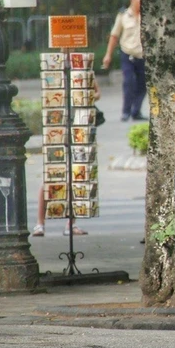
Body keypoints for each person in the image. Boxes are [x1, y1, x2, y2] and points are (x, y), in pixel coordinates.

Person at [31, 81, 102, 237]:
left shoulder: (83, 70)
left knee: (77, 177)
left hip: (80, 128)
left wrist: (84, 98)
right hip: (56, 130)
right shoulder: (55, 72)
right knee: (50, 178)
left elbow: (97, 93)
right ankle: (40, 223)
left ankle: (71, 224)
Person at [102, 0, 146, 122]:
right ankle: (126, 111)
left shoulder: (147, 15)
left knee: (142, 85)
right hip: (128, 54)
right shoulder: (123, 16)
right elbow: (114, 36)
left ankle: (136, 111)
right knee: (129, 82)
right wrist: (108, 55)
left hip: (143, 55)